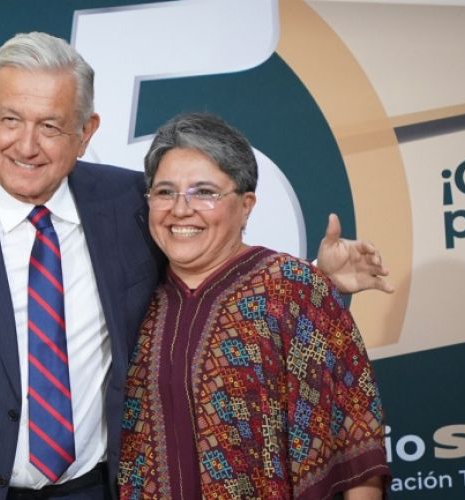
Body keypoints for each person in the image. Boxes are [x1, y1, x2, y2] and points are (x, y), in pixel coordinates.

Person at [0, 32, 390, 499]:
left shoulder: (131, 203)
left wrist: (317, 281)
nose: (26, 145)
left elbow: (214, 272)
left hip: (98, 488)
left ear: (87, 132)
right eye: (10, 119)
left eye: (52, 126)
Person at [118, 113, 390, 499]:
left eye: (204, 192)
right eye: (164, 192)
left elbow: (356, 443)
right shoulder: (129, 299)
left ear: (246, 205)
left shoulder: (293, 290)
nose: (180, 209)